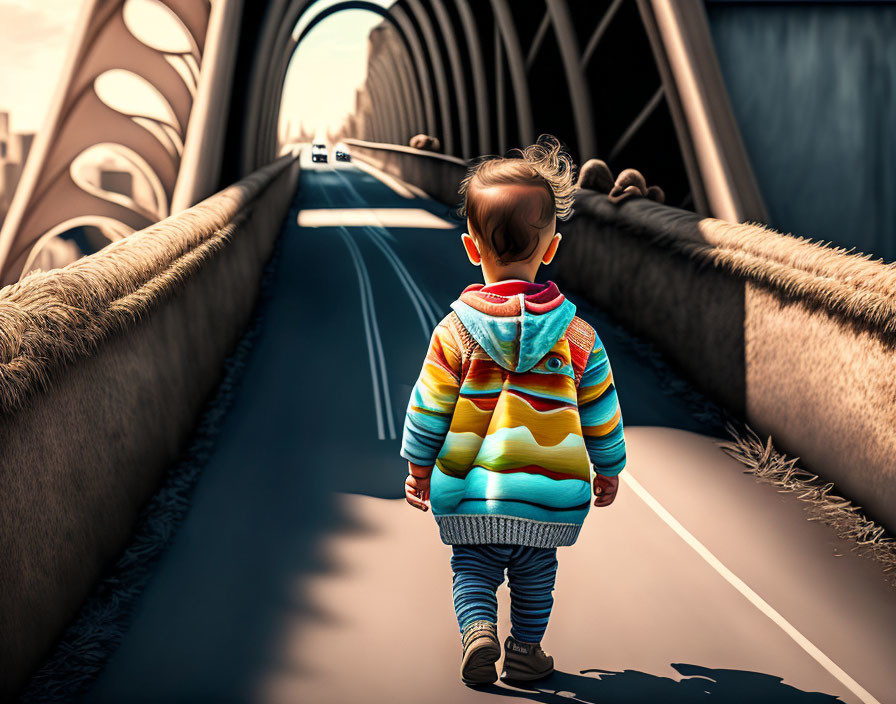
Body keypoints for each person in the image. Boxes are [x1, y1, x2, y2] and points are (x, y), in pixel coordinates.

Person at [399, 135, 627, 686]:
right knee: (535, 574)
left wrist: (418, 468)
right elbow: (601, 410)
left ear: (472, 248)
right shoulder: (577, 336)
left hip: (471, 491)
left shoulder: (455, 332)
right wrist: (609, 467)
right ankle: (526, 650)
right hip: (546, 497)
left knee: (473, 570)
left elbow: (429, 407)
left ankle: (478, 632)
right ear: (550, 249)